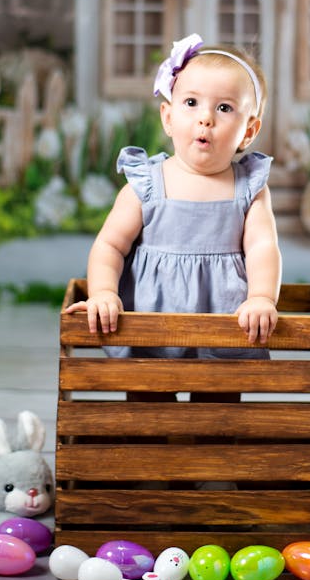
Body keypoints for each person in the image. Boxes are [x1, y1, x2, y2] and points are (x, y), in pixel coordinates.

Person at [65, 33, 282, 364]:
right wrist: (105, 293)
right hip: (148, 325)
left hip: (224, 326)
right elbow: (110, 246)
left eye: (224, 108)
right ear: (168, 117)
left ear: (249, 131)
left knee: (220, 398)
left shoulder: (249, 189)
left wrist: (262, 298)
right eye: (191, 103)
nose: (205, 118)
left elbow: (263, 248)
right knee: (148, 396)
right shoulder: (146, 184)